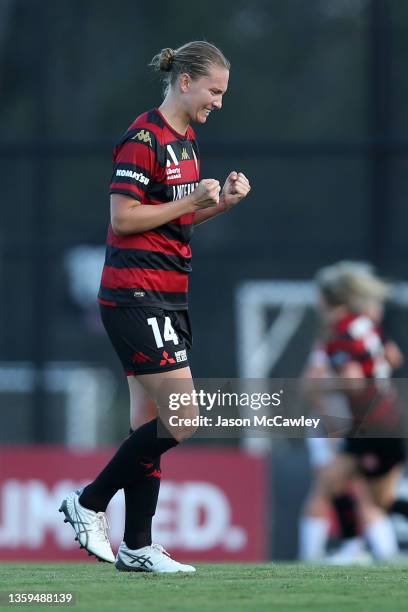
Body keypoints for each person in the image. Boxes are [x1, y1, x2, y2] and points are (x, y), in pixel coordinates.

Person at [59, 41, 251, 573]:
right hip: (134, 294)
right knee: (184, 417)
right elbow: (124, 219)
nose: (219, 101)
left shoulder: (186, 143)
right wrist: (192, 201)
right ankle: (89, 502)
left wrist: (221, 206)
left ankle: (138, 545)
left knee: (148, 420)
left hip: (165, 294)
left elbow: (171, 221)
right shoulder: (144, 137)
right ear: (185, 81)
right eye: (214, 90)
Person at [299, 261, 407, 563]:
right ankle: (351, 549)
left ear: (328, 299)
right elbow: (393, 356)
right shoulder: (364, 323)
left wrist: (320, 386)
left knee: (367, 496)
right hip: (381, 420)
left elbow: (354, 382)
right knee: (349, 488)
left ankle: (350, 549)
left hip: (374, 425)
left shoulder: (341, 332)